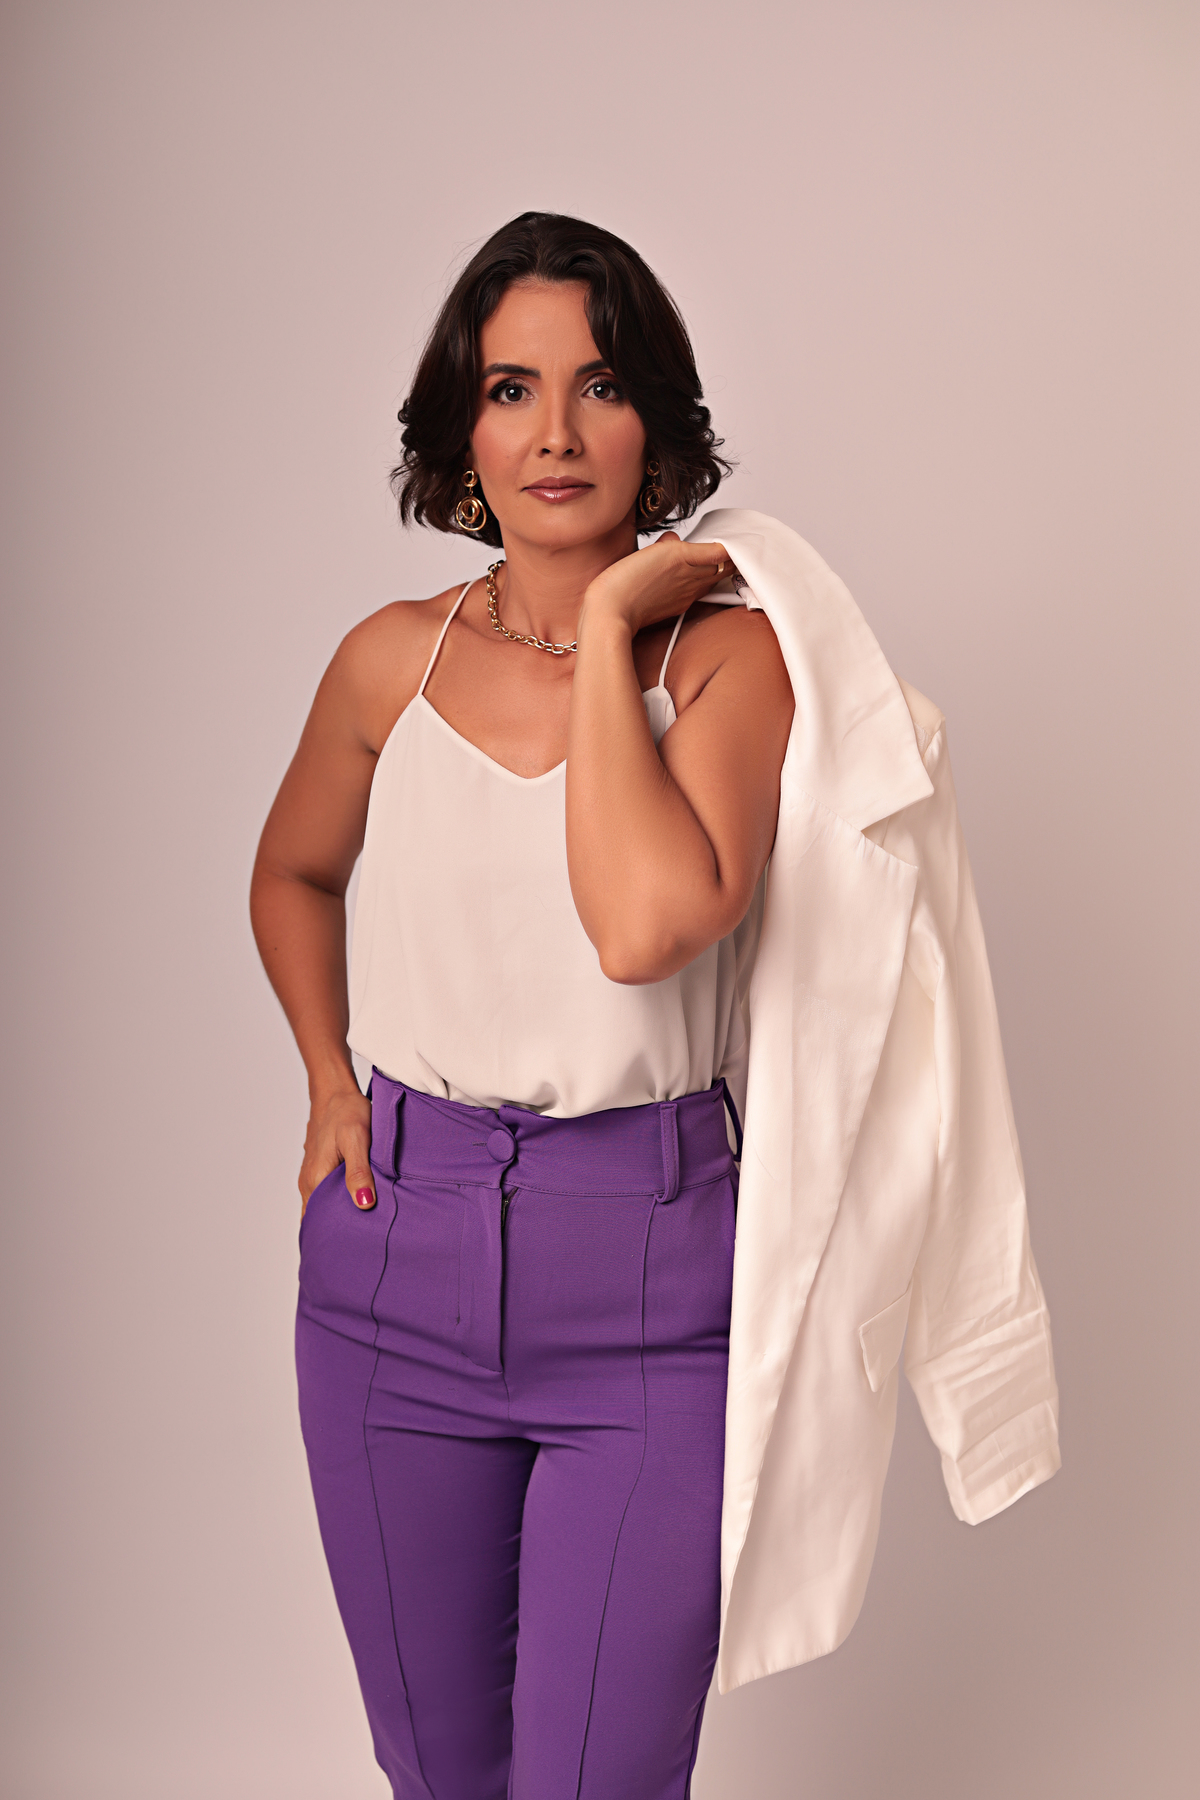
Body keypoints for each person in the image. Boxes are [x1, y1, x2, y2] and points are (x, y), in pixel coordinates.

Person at [251, 213, 1059, 1800]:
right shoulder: (386, 665)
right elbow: (292, 873)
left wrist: (616, 623)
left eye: (601, 385)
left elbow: (643, 928)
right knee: (437, 1775)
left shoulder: (730, 664)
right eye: (512, 389)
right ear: (464, 432)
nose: (556, 431)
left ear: (656, 423)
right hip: (389, 1263)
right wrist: (329, 1084)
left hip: (646, 1282)